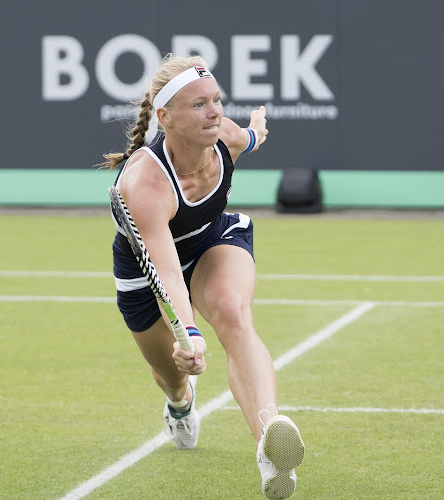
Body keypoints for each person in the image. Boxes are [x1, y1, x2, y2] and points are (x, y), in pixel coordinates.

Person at [101, 54, 304, 500]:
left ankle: (270, 441)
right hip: (148, 271)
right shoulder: (143, 184)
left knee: (233, 313)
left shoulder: (223, 134)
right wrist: (187, 333)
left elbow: (249, 137)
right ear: (165, 117)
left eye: (217, 100)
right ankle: (179, 405)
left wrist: (256, 128)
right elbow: (166, 270)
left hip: (212, 241)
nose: (214, 112)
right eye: (198, 105)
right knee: (171, 375)